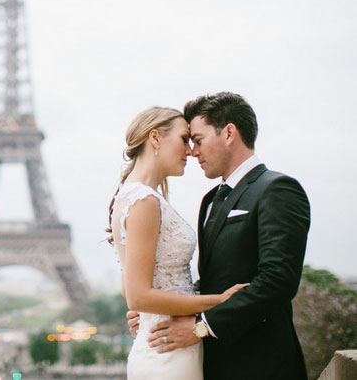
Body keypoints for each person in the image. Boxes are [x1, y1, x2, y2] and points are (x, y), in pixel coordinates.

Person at [127, 92, 310, 380]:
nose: (192, 151)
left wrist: (202, 327)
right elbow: (216, 278)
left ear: (228, 133)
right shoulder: (211, 200)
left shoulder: (278, 189)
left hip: (260, 364)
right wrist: (160, 312)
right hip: (212, 364)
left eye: (198, 140)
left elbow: (278, 281)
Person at [107, 106, 248, 380]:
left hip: (165, 345)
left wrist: (149, 314)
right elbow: (137, 295)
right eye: (185, 139)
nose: (191, 150)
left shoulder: (133, 196)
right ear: (155, 138)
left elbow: (131, 288)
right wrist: (217, 302)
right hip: (167, 355)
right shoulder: (144, 201)